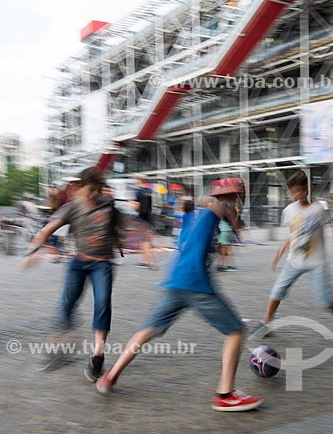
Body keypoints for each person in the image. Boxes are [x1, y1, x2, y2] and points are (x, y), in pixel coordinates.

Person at [96, 195, 263, 412]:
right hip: (196, 284)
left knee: (148, 330)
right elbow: (221, 208)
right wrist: (225, 206)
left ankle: (110, 376)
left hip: (174, 282)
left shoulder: (187, 219)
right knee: (236, 331)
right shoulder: (207, 215)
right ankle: (225, 394)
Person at [22, 167, 123, 380]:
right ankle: (60, 344)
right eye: (91, 190)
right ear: (81, 188)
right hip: (79, 263)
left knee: (103, 303)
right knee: (66, 304)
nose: (95, 194)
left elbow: (123, 226)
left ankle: (98, 356)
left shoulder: (109, 205)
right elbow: (47, 230)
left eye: (98, 190)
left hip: (102, 264)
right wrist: (33, 252)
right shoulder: (72, 208)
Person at [250, 170, 333, 340]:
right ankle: (266, 322)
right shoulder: (289, 211)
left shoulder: (318, 209)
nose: (295, 195)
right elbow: (293, 234)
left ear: (306, 190)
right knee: (276, 293)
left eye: (299, 191)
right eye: (292, 191)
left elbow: (327, 222)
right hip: (294, 261)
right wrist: (280, 251)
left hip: (316, 262)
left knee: (325, 302)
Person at [131, 174, 159, 270]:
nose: (134, 181)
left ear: (138, 180)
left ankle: (151, 263)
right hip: (148, 219)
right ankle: (143, 261)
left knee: (144, 242)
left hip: (141, 219)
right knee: (143, 241)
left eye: (135, 179)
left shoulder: (138, 192)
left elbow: (137, 207)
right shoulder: (149, 191)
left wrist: (130, 204)